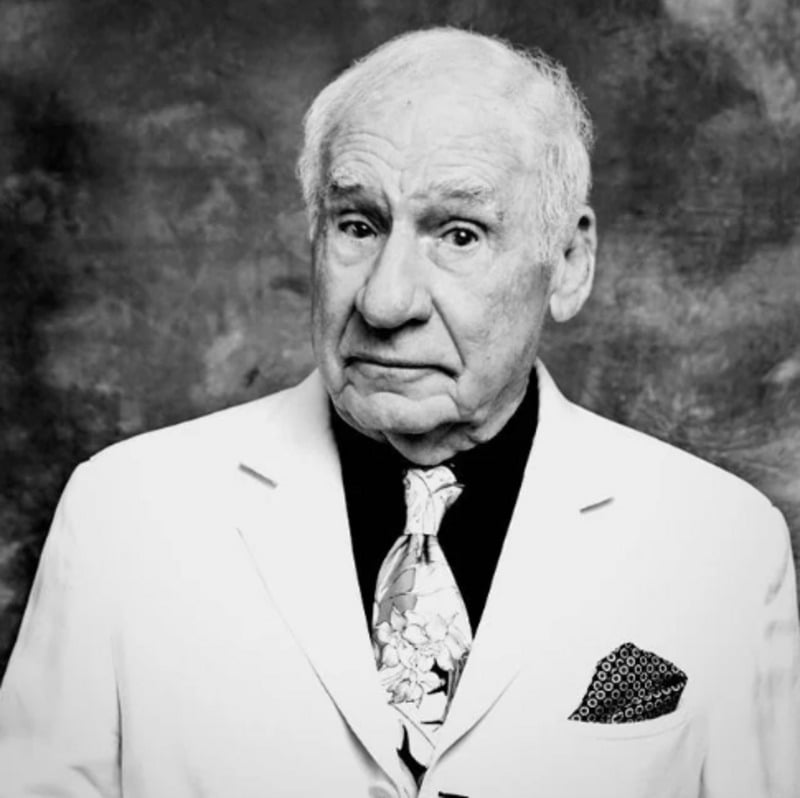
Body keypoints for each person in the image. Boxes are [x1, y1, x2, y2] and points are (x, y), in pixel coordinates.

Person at [0, 26, 798, 798]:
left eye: (458, 234)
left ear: (569, 263)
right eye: (358, 224)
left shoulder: (722, 544)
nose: (385, 301)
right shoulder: (122, 513)